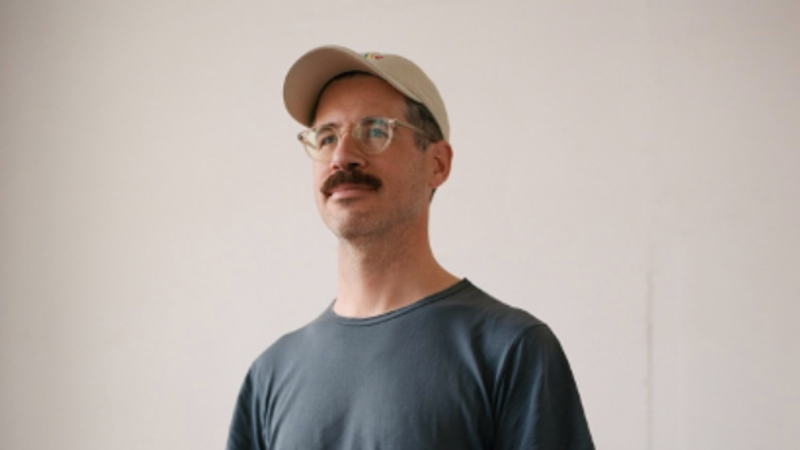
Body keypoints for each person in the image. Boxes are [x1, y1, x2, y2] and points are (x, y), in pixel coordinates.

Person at [227, 45, 595, 450]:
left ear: (437, 164)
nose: (342, 157)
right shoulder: (270, 375)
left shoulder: (510, 349)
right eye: (327, 137)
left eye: (374, 131)